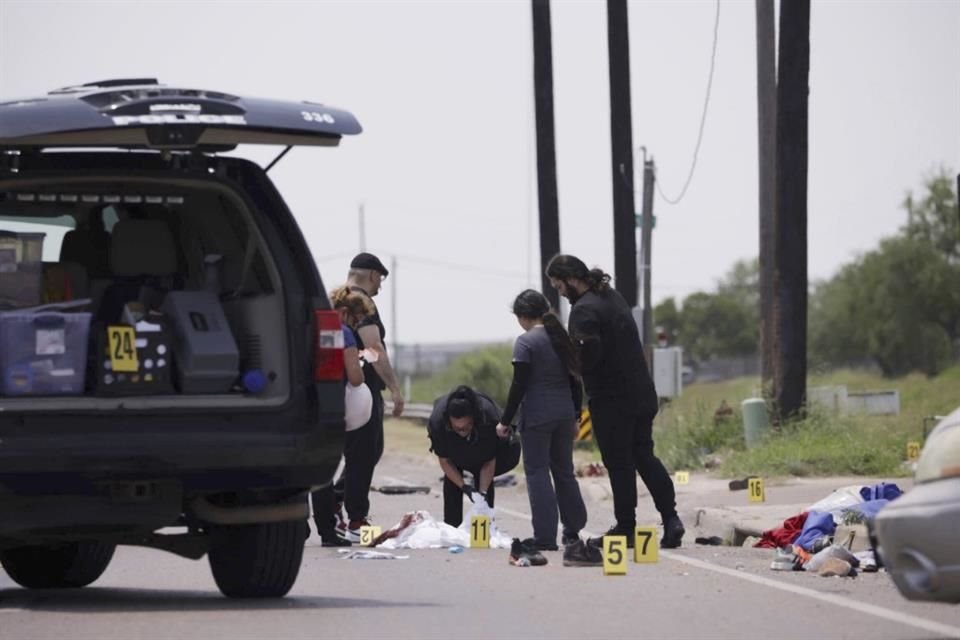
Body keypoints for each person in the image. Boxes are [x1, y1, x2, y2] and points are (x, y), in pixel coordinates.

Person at [546, 254, 685, 549]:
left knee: (619, 465)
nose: (560, 293)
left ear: (571, 280)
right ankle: (671, 519)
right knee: (645, 456)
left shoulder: (583, 311)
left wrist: (567, 354)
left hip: (612, 400)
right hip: (642, 393)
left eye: (559, 287)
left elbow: (589, 360)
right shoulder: (611, 296)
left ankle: (626, 528)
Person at [495, 289, 591, 560]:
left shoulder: (525, 342)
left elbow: (519, 384)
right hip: (563, 414)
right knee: (564, 472)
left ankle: (545, 537)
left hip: (537, 416)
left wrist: (505, 421)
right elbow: (576, 381)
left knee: (537, 473)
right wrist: (576, 416)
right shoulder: (563, 338)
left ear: (522, 316)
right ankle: (573, 530)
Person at [335, 252, 406, 542]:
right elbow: (373, 347)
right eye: (380, 281)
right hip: (359, 390)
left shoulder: (335, 299)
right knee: (365, 454)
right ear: (374, 275)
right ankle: (356, 520)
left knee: (357, 454)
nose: (379, 287)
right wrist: (394, 387)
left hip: (334, 389)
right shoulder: (361, 303)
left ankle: (335, 503)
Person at [310, 286, 372, 546]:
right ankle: (327, 531)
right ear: (345, 312)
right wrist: (360, 365)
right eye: (357, 320)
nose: (356, 326)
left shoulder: (311, 326)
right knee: (323, 471)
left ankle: (300, 526)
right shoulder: (343, 333)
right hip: (329, 403)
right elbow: (356, 379)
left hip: (303, 402)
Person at [427, 385, 520, 528]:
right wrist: (464, 486)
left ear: (473, 419)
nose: (461, 431)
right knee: (453, 480)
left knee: (482, 486)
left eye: (465, 427)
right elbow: (445, 461)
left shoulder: (488, 420)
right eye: (457, 428)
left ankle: (485, 523)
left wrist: (481, 493)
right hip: (454, 452)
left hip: (491, 451)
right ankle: (452, 526)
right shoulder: (438, 423)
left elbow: (489, 461)